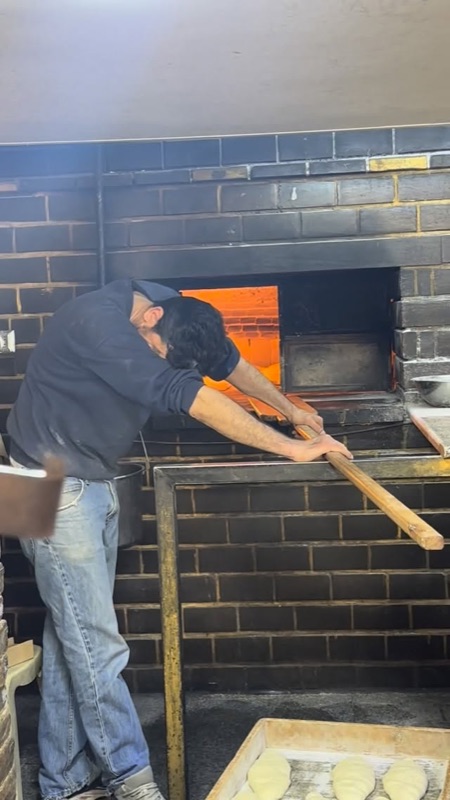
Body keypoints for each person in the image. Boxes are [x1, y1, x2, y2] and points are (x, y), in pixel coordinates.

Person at [6, 279, 352, 800]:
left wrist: (291, 409)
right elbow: (188, 396)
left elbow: (227, 361)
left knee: (69, 636)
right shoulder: (98, 325)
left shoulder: (167, 308)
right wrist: (290, 449)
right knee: (95, 643)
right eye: (162, 356)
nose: (163, 362)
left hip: (84, 475)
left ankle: (66, 781)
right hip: (45, 485)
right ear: (148, 322)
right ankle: (131, 781)